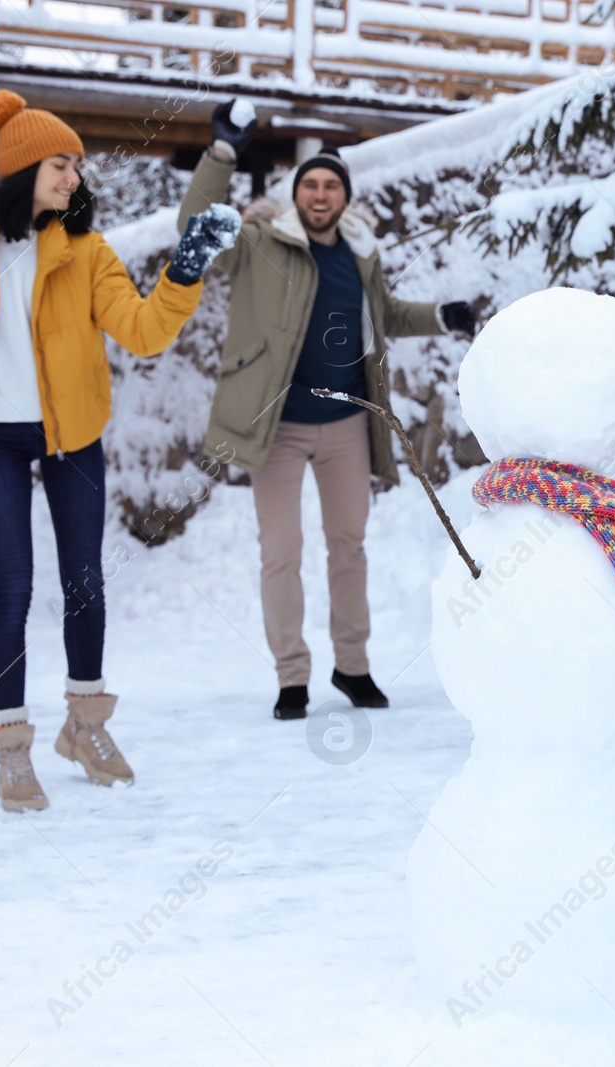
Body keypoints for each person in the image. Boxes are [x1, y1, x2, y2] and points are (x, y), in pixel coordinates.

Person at [0, 89, 240, 812]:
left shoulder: (84, 250)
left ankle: (84, 725)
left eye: (76, 165)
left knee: (84, 582)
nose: (74, 176)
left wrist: (187, 267)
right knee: (11, 586)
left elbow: (141, 331)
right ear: (22, 166)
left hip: (70, 433)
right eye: (61, 163)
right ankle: (13, 750)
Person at [177, 99, 477, 721]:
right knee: (280, 551)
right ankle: (292, 677)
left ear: (343, 195)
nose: (320, 193)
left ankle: (353, 667)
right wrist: (222, 154)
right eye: (310, 184)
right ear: (296, 195)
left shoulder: (360, 254)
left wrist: (442, 318)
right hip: (276, 428)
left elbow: (384, 316)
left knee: (349, 545)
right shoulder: (259, 242)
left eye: (330, 184)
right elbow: (194, 227)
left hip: (345, 425)